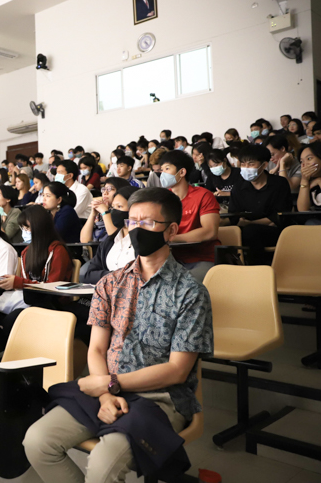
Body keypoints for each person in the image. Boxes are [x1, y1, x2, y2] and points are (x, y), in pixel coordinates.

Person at [23, 187, 213, 483]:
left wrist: (110, 384)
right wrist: (105, 393)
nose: (137, 230)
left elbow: (178, 370)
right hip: (106, 386)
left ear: (172, 230)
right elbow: (97, 349)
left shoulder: (191, 293)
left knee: (102, 467)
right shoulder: (110, 283)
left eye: (148, 223)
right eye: (133, 222)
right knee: (37, 441)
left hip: (160, 395)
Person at [0, 205, 72, 351]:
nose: (24, 232)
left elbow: (52, 286)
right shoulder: (26, 252)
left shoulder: (57, 250)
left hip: (52, 303)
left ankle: (13, 353)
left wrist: (19, 283)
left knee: (12, 320)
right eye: (22, 228)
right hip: (31, 300)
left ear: (40, 226)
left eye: (27, 228)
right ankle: (6, 350)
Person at [158, 151, 220, 283]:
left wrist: (171, 238)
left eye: (167, 169)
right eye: (161, 170)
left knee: (184, 284)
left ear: (182, 172)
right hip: (171, 259)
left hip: (202, 258)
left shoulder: (203, 195)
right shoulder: (162, 199)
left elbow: (210, 231)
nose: (162, 173)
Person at [228, 144, 292, 262]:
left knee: (250, 231)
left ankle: (260, 268)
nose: (246, 168)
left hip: (275, 232)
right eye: (243, 164)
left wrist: (249, 223)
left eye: (251, 164)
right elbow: (234, 215)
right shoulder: (238, 187)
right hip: (246, 233)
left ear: (264, 165)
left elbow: (279, 216)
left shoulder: (279, 184)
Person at [79, 186, 139, 285]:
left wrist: (106, 276)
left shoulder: (142, 241)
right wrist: (118, 275)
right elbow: (88, 275)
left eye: (119, 207)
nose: (114, 212)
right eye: (112, 207)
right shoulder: (109, 242)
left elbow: (137, 276)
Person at [82, 177, 130, 243]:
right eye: (104, 189)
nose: (105, 193)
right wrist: (93, 214)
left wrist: (104, 212)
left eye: (110, 189)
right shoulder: (101, 214)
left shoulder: (124, 213)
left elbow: (115, 237)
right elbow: (84, 240)